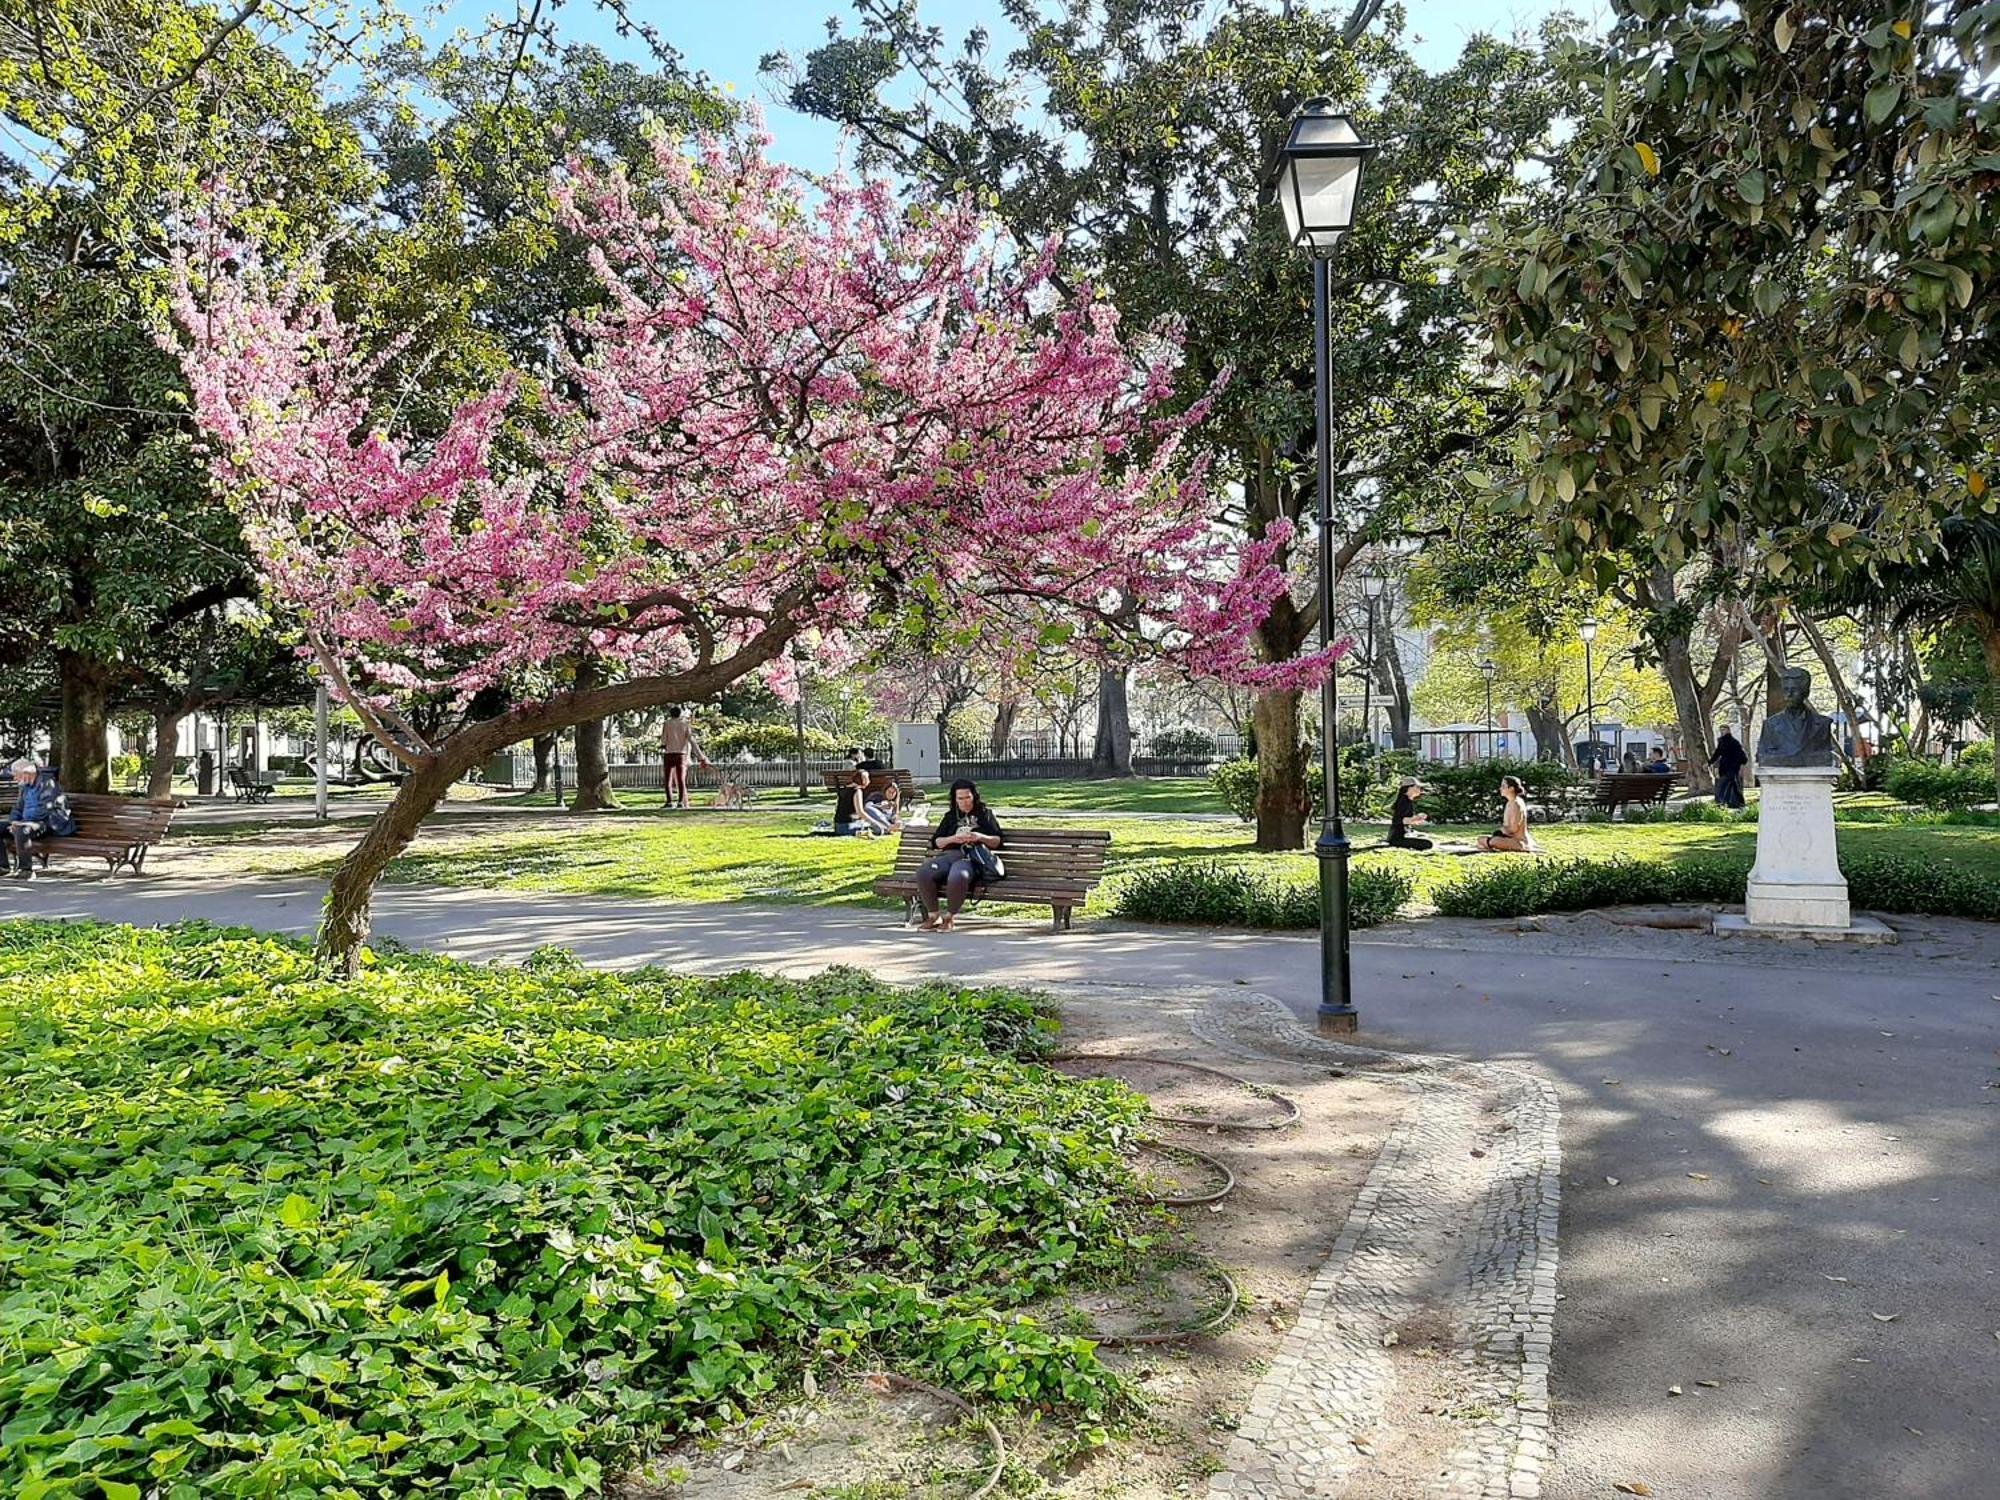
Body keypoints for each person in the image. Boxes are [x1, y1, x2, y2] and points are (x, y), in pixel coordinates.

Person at [915, 778, 1004, 930]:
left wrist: (979, 837)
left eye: (967, 797)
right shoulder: (950, 817)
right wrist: (953, 838)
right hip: (950, 854)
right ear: (955, 799)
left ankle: (949, 917)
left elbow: (997, 840)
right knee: (924, 872)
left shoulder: (984, 814)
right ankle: (933, 916)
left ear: (974, 796)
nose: (964, 802)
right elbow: (936, 842)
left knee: (958, 875)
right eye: (960, 798)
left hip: (971, 857)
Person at [4, 759, 67, 880]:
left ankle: (26, 870)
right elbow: (18, 808)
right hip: (29, 823)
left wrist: (22, 823)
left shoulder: (48, 784)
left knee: (23, 830)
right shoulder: (25, 787)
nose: (15, 779)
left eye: (16, 775)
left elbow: (45, 810)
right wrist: (13, 821)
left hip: (49, 823)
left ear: (26, 773)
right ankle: (3, 867)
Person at [659, 708, 709, 810]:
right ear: (679, 714)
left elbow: (664, 739)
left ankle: (669, 801)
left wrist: (664, 745)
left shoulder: (667, 724)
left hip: (669, 753)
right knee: (681, 779)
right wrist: (700, 757)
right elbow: (691, 740)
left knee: (668, 779)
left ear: (670, 714)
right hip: (681, 754)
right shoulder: (684, 724)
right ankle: (680, 801)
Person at [1476, 775, 1536, 854]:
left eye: (1503, 786)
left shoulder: (1516, 804)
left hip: (1518, 841)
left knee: (1492, 841)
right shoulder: (1510, 803)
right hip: (1509, 838)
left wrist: (1500, 832)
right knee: (1481, 839)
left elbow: (1513, 829)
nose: (1501, 788)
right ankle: (1489, 843)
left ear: (1511, 789)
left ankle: (1490, 844)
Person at [1387, 778, 1433, 851]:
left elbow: (1407, 820)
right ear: (1409, 788)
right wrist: (1417, 818)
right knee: (1428, 844)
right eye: (1417, 787)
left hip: (1403, 835)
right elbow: (1400, 820)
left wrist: (1418, 819)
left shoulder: (1408, 801)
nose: (1420, 789)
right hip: (1397, 838)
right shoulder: (1404, 802)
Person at [1710, 726, 1748, 809]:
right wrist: (1710, 762)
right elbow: (1717, 753)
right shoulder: (1723, 742)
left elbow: (1741, 756)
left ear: (1728, 730)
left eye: (1723, 730)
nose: (1722, 732)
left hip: (1731, 768)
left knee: (1723, 785)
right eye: (1721, 730)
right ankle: (1736, 802)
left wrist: (1738, 764)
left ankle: (1721, 802)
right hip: (1726, 768)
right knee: (1733, 785)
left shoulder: (1733, 742)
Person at [831, 770, 875, 837]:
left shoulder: (846, 788)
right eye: (867, 778)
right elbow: (860, 812)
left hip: (838, 826)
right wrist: (875, 823)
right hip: (846, 827)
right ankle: (861, 833)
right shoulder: (857, 791)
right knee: (873, 828)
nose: (869, 781)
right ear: (863, 779)